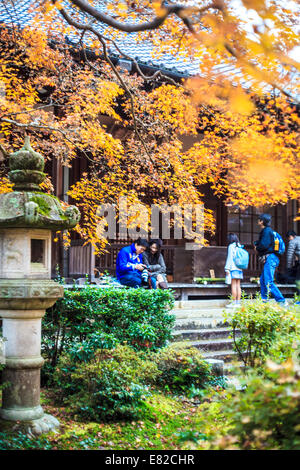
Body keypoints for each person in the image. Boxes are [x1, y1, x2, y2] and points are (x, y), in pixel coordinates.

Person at [254, 214, 287, 305]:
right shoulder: (269, 231)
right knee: (262, 280)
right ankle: (264, 300)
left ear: (262, 221)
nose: (258, 221)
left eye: (259, 220)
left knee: (268, 281)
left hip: (271, 258)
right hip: (272, 258)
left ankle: (281, 300)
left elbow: (264, 245)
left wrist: (257, 247)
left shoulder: (266, 231)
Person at [225, 233, 243, 308]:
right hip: (239, 268)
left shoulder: (231, 246)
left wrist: (227, 268)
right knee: (238, 285)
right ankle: (238, 303)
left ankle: (233, 303)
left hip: (233, 268)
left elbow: (230, 258)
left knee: (233, 285)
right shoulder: (239, 246)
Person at [286, 230, 300, 299]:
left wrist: (288, 267)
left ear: (290, 236)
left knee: (298, 280)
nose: (288, 240)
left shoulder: (292, 241)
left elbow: (289, 255)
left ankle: (298, 299)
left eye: (288, 238)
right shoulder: (299, 238)